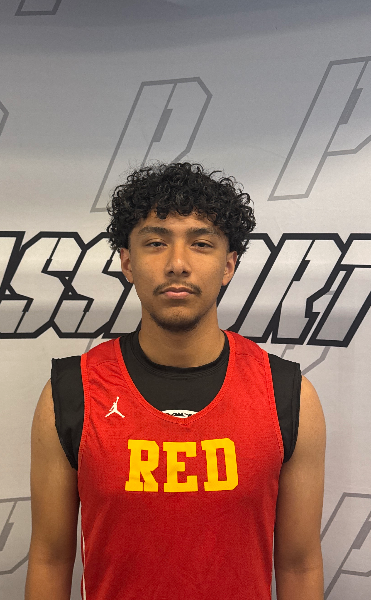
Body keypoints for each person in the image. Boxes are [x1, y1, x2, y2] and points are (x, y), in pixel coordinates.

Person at [25, 162, 326, 600]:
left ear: (228, 264)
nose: (178, 264)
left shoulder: (288, 393)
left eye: (201, 244)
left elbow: (299, 565)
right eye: (155, 243)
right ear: (127, 262)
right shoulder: (73, 391)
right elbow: (50, 559)